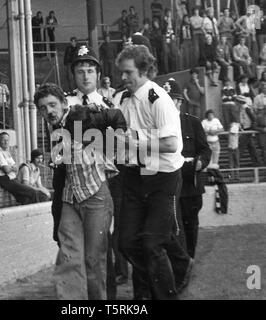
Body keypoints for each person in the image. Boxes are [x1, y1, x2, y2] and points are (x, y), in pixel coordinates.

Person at [34, 82, 127, 300]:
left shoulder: (80, 116)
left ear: (64, 104)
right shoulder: (53, 128)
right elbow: (60, 174)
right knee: (68, 257)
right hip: (70, 198)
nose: (48, 111)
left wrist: (117, 148)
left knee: (93, 260)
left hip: (96, 195)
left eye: (52, 105)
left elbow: (115, 116)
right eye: (43, 107)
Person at [116, 45, 193, 300]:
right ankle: (176, 267)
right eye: (122, 73)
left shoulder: (158, 99)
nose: (123, 78)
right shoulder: (122, 99)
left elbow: (172, 144)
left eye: (128, 73)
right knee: (127, 242)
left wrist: (134, 143)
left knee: (152, 243)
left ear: (144, 70)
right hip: (136, 175)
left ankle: (164, 293)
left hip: (163, 177)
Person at [162, 78, 211, 259]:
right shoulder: (157, 127)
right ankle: (180, 262)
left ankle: (189, 258)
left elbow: (205, 150)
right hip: (168, 183)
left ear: (180, 102)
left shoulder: (193, 122)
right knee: (174, 226)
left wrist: (201, 162)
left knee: (191, 225)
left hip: (190, 183)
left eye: (171, 100)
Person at [0, 132, 46, 205]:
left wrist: (12, 168)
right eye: (3, 140)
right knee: (31, 192)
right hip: (4, 179)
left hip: (12, 178)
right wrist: (12, 168)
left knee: (25, 198)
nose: (6, 142)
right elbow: (6, 170)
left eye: (7, 140)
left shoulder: (6, 153)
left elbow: (16, 168)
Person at [236, 95, 260, 167]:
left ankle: (235, 163)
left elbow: (254, 119)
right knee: (251, 147)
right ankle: (256, 163)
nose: (236, 103)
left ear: (239, 102)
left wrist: (252, 128)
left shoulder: (246, 108)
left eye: (237, 102)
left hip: (248, 129)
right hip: (245, 129)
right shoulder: (242, 108)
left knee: (241, 146)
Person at [253, 82, 266, 165]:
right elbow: (254, 126)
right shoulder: (259, 116)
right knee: (263, 149)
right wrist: (262, 129)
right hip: (262, 135)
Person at [162, 8, 177, 74]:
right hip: (165, 37)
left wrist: (175, 35)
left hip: (172, 37)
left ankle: (173, 69)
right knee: (166, 53)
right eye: (168, 13)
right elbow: (162, 30)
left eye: (170, 13)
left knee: (173, 53)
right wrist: (167, 23)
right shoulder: (163, 21)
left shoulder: (173, 20)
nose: (169, 14)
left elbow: (174, 28)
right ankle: (166, 70)